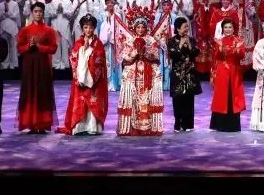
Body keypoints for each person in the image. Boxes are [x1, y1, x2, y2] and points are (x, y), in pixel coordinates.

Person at [116, 7, 165, 136]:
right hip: (133, 73)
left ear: (146, 28)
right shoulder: (129, 40)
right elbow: (125, 57)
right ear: (134, 28)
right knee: (133, 99)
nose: (141, 29)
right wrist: (135, 52)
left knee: (147, 99)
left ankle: (148, 126)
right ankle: (132, 127)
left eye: (143, 27)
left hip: (148, 73)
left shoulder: (151, 40)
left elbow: (155, 56)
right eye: (138, 27)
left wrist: (145, 52)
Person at [59, 15, 109, 136]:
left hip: (93, 80)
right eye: (85, 27)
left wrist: (90, 50)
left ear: (94, 28)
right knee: (80, 101)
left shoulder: (98, 43)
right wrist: (83, 50)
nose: (88, 30)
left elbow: (100, 60)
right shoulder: (78, 43)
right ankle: (80, 127)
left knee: (93, 101)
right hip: (81, 79)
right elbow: (73, 59)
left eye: (90, 27)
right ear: (82, 28)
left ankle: (93, 126)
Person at [16, 1, 58, 134]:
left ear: (43, 13)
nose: (38, 14)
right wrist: (29, 46)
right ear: (31, 13)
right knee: (29, 91)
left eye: (40, 11)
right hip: (29, 65)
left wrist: (39, 46)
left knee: (42, 91)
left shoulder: (49, 30)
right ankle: (31, 123)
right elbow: (19, 48)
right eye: (36, 11)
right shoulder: (25, 30)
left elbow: (53, 48)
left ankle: (42, 123)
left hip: (43, 65)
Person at [210, 18, 247, 132]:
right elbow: (217, 56)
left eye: (230, 27)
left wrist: (236, 49)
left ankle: (233, 125)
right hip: (222, 71)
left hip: (235, 71)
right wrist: (222, 48)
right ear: (222, 29)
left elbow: (241, 55)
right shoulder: (219, 41)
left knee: (233, 96)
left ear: (233, 28)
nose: (228, 29)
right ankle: (220, 125)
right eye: (225, 27)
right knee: (221, 97)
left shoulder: (239, 40)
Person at [167, 17, 201, 132]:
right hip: (178, 74)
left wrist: (190, 46)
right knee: (178, 99)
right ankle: (178, 124)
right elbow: (173, 55)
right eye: (184, 27)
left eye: (187, 26)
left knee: (189, 99)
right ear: (178, 28)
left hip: (189, 74)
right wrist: (180, 45)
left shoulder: (191, 39)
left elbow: (196, 53)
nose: (187, 29)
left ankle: (188, 124)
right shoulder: (171, 40)